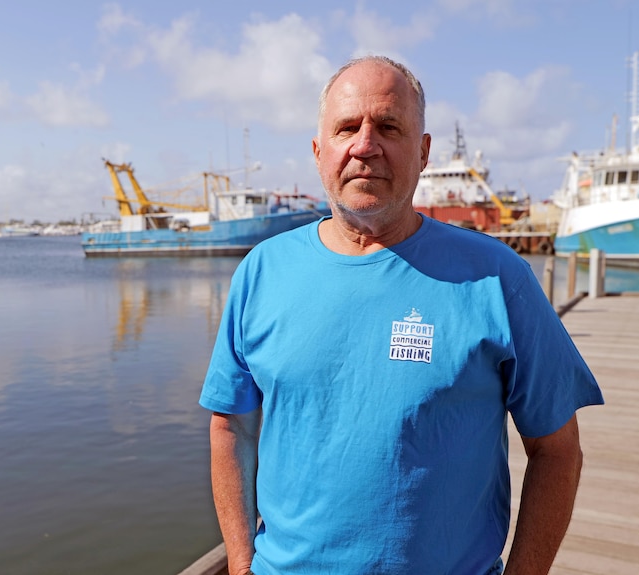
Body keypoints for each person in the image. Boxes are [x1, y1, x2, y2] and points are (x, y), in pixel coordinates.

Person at [200, 55, 603, 575]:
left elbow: (558, 451)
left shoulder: (497, 278)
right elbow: (229, 427)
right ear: (319, 150)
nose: (365, 146)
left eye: (388, 126)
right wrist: (239, 562)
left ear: (424, 151)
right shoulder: (262, 273)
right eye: (347, 127)